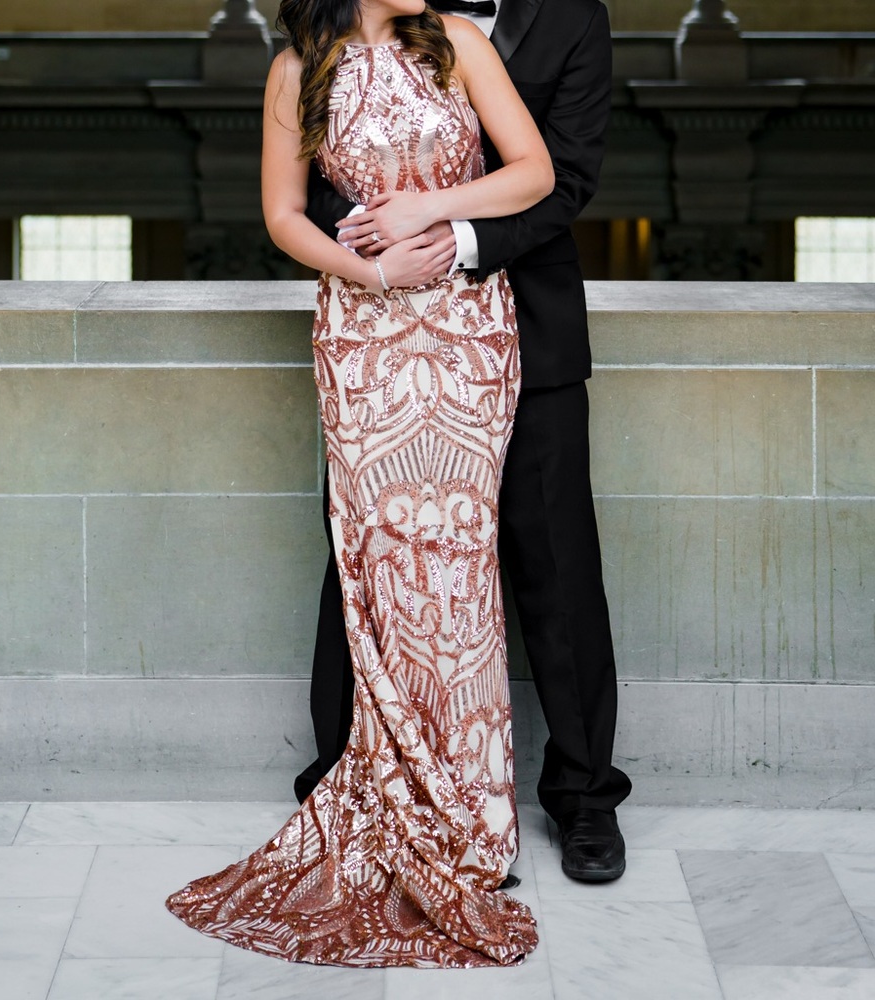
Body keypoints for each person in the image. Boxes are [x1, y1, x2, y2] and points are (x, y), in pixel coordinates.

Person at [166, 0, 553, 968]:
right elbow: (282, 214)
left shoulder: (459, 44)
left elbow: (535, 173)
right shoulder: (299, 67)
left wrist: (432, 207)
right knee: (380, 570)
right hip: (363, 335)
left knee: (459, 575)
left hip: (468, 335)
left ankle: (472, 829)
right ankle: (394, 799)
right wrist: (365, 274)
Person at [295, 0, 633, 883]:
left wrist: (455, 238)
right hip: (383, 335)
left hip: (532, 324)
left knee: (554, 560)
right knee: (369, 555)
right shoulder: (355, 34)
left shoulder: (571, 19)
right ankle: (350, 774)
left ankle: (585, 795)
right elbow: (324, 175)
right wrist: (371, 251)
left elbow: (566, 177)